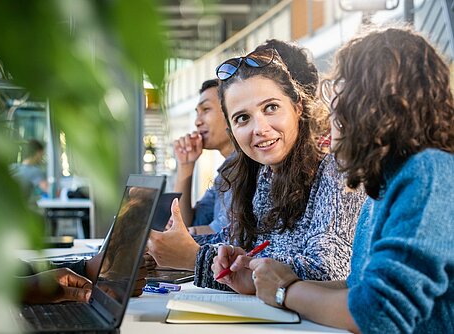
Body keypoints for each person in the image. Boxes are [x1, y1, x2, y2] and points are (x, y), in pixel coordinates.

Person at [214, 27, 454, 333]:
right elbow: (359, 287)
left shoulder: (429, 174)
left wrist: (285, 291)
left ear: (382, 104)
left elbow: (377, 312)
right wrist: (269, 281)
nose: (333, 105)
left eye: (342, 89)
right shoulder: (384, 185)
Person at [147, 39, 367, 290]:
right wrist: (163, 247)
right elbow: (243, 243)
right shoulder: (266, 173)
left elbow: (328, 271)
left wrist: (194, 258)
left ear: (297, 107)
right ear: (232, 130)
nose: (260, 129)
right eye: (243, 118)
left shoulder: (336, 170)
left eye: (271, 107)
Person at [173, 79, 234, 236]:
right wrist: (185, 164)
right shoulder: (224, 175)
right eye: (197, 113)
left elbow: (225, 232)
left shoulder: (253, 168)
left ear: (232, 112)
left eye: (206, 109)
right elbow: (185, 222)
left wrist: (178, 236)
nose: (197, 122)